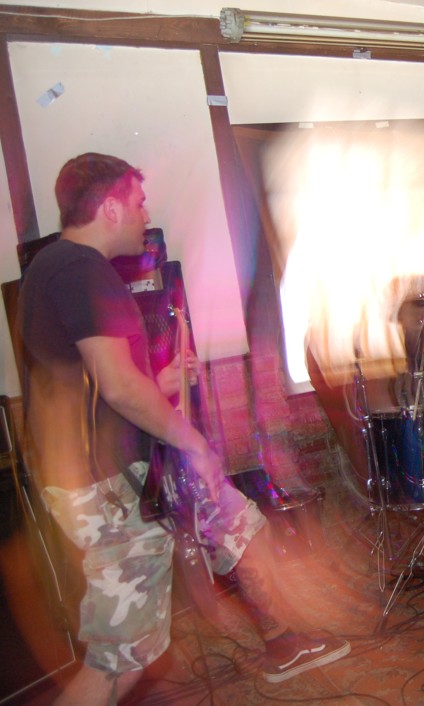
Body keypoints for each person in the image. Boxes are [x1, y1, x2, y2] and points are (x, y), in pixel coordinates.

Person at [17, 153, 350, 705]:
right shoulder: (80, 268)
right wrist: (192, 440)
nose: (146, 214)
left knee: (241, 527)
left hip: (129, 470)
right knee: (123, 659)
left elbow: (94, 383)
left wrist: (163, 379)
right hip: (112, 484)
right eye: (138, 201)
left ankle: (284, 643)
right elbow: (118, 387)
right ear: (110, 207)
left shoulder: (55, 268)